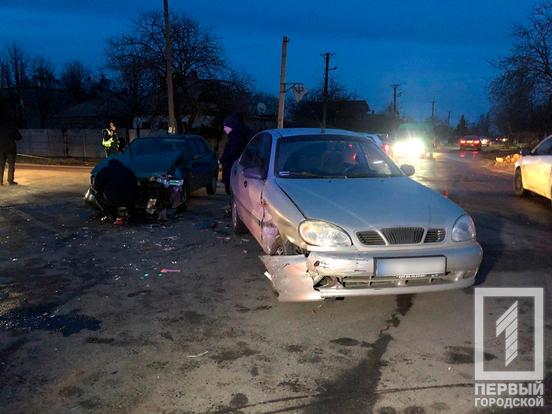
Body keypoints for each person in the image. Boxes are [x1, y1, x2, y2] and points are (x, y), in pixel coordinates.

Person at [91, 159, 138, 224]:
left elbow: (96, 186)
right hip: (128, 199)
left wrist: (104, 189)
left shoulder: (105, 171)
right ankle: (130, 213)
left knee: (97, 195)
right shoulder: (128, 171)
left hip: (111, 199)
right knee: (132, 194)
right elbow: (135, 185)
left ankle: (110, 214)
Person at [220, 113, 253, 194]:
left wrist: (225, 158)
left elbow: (233, 150)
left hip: (235, 167)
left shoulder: (237, 134)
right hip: (240, 167)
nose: (225, 128)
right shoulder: (244, 132)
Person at [0, 121, 22, 186]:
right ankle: (10, 180)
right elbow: (19, 137)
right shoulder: (13, 128)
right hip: (11, 149)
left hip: (1, 149)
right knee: (11, 165)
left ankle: (0, 181)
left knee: (1, 165)